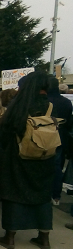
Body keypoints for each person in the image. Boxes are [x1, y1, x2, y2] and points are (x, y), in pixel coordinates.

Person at [0, 71, 55, 249]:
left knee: (14, 193)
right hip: (45, 157)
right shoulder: (52, 106)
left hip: (18, 157)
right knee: (43, 196)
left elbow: (3, 133)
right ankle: (44, 238)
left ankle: (10, 237)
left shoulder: (19, 106)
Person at [47, 77, 72, 206]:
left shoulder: (45, 101)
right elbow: (69, 123)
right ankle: (56, 195)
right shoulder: (67, 102)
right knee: (57, 166)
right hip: (60, 138)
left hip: (44, 138)